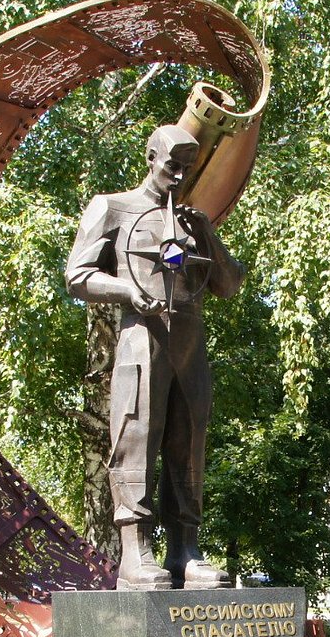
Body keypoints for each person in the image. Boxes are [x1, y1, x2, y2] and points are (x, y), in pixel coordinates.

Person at [65, 123, 244, 590]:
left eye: (186, 168)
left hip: (190, 345)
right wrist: (126, 289)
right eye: (171, 164)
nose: (179, 175)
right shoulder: (113, 207)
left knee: (190, 449)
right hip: (140, 340)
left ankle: (186, 551)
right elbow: (78, 275)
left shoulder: (189, 219)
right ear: (150, 157)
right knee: (137, 436)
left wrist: (207, 234)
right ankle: (135, 553)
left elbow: (227, 284)